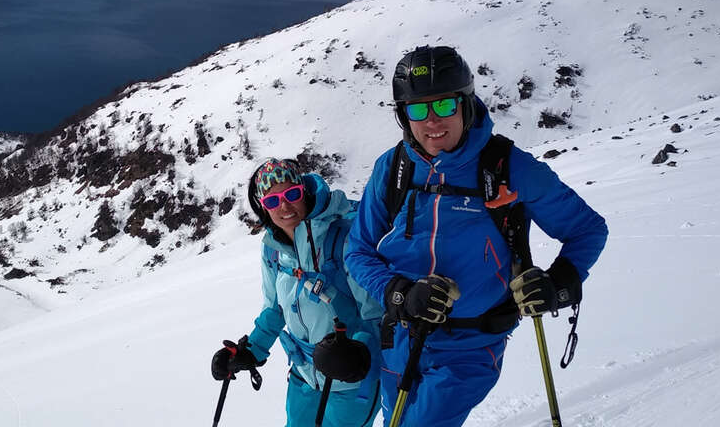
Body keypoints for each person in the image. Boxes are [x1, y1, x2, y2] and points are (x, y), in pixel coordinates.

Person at [345, 45, 608, 427]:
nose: (432, 121)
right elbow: (358, 251)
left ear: (466, 104)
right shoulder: (394, 168)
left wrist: (558, 283)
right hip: (400, 338)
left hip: (470, 347)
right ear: (403, 116)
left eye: (445, 106)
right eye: (418, 109)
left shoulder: (506, 166)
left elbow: (587, 229)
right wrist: (399, 292)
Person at [211, 158, 385, 427]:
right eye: (272, 201)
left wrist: (360, 352)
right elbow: (274, 310)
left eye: (291, 194)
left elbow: (378, 313)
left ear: (304, 192)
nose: (284, 206)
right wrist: (250, 351)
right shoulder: (273, 250)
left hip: (350, 382)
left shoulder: (344, 237)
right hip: (303, 376)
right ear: (262, 207)